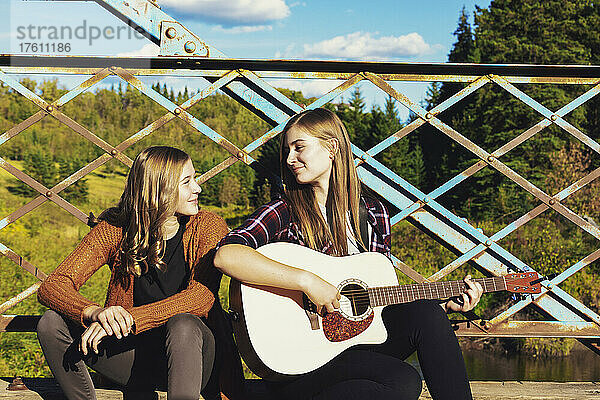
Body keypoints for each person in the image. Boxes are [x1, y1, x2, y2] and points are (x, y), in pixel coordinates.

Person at [214, 108, 483, 400]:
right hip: (302, 356)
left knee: (427, 313)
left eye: (299, 147)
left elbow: (378, 304)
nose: (290, 159)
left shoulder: (374, 214)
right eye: (287, 150)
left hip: (356, 345)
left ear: (332, 147)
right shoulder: (284, 211)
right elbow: (227, 255)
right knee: (403, 381)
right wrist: (307, 282)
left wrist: (446, 309)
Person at [37, 146, 242, 400]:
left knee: (184, 324)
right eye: (187, 182)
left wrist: (131, 319)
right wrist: (96, 313)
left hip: (195, 359)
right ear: (159, 190)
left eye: (195, 179)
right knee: (50, 322)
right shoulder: (116, 230)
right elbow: (53, 285)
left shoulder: (208, 226)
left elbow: (200, 297)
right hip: (136, 360)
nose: (197, 188)